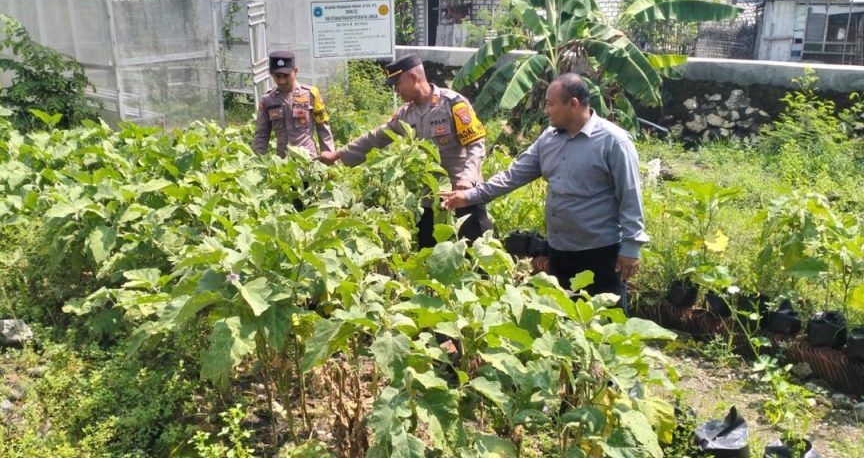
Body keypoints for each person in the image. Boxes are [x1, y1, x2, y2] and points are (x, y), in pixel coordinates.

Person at [439, 73, 647, 307]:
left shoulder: (613, 142)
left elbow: (630, 196)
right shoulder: (549, 139)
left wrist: (631, 247)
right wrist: (469, 196)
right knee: (564, 321)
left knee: (609, 324)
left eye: (550, 104)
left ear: (574, 104)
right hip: (560, 250)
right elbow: (513, 175)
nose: (545, 110)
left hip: (600, 252)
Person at [317, 54, 492, 249]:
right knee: (428, 253)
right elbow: (376, 137)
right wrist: (339, 154)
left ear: (413, 77)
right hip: (428, 199)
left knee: (477, 251)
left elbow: (476, 144)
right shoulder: (405, 114)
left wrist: (467, 178)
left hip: (463, 194)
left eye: (397, 83)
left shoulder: (452, 104)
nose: (395, 89)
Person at [253, 51, 335, 158]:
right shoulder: (267, 100)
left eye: (286, 76)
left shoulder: (311, 95)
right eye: (277, 76)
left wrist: (329, 156)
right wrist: (256, 161)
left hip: (309, 160)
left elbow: (323, 128)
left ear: (295, 71)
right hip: (283, 163)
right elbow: (261, 134)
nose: (282, 81)